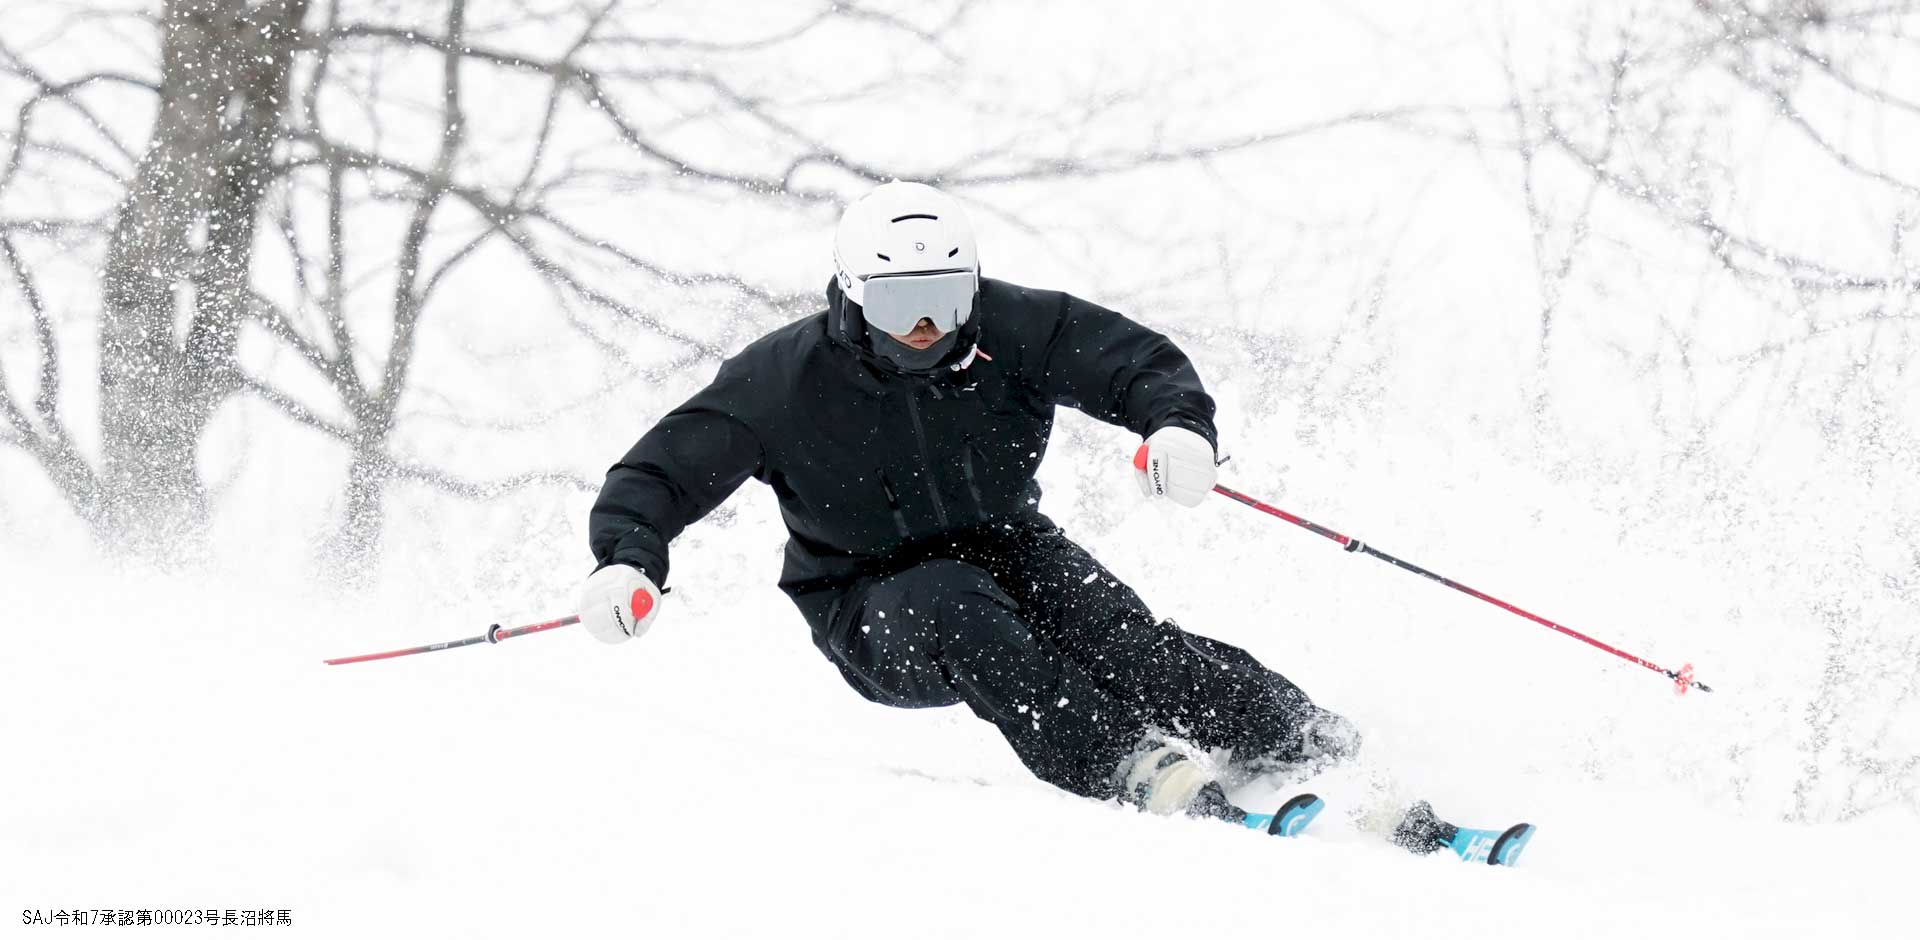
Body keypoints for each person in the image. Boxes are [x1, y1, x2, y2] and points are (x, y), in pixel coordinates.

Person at [579, 181, 1360, 823]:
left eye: (945, 301)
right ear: (850, 298)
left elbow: (1134, 363)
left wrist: (1178, 428)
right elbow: (659, 474)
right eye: (896, 307)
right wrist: (629, 561)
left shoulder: (1016, 328)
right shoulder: (782, 381)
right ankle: (1126, 763)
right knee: (955, 605)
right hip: (863, 596)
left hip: (1008, 543)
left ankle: (1300, 740)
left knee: (1121, 641)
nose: (922, 330)